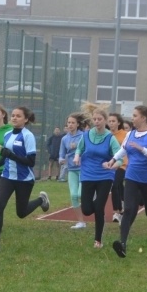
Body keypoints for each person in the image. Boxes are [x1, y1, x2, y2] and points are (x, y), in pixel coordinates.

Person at [0, 106, 50, 253]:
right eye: (13, 115)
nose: (14, 118)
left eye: (18, 116)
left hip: (24, 179)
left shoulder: (28, 136)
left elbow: (30, 162)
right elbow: (6, 154)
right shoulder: (7, 134)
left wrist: (10, 155)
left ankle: (41, 200)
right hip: (7, 176)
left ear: (26, 119)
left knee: (21, 213)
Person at [105, 105, 147, 258]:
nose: (132, 118)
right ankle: (122, 244)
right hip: (131, 176)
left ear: (143, 118)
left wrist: (142, 149)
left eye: (135, 115)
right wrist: (113, 159)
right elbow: (123, 149)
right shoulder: (130, 134)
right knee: (129, 209)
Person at [73, 106, 121, 248]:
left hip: (105, 176)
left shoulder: (110, 138)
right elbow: (79, 148)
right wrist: (77, 156)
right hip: (88, 174)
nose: (97, 121)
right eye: (94, 119)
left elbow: (120, 158)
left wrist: (111, 164)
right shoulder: (86, 135)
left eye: (99, 119)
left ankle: (98, 240)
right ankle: (98, 209)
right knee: (87, 210)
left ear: (105, 120)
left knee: (99, 207)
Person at [60, 112, 87, 229]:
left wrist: (76, 148)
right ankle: (81, 222)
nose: (70, 125)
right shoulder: (64, 139)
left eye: (72, 123)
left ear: (77, 124)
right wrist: (61, 160)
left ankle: (93, 195)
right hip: (71, 170)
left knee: (80, 194)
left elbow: (88, 150)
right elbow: (61, 154)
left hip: (83, 169)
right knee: (74, 195)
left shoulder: (84, 136)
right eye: (68, 122)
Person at [108, 113, 128, 224]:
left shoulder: (125, 134)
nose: (111, 123)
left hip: (122, 164)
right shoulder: (106, 135)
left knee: (115, 184)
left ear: (118, 122)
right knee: (118, 186)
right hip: (110, 165)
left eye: (113, 121)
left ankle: (116, 211)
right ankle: (121, 208)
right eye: (109, 121)